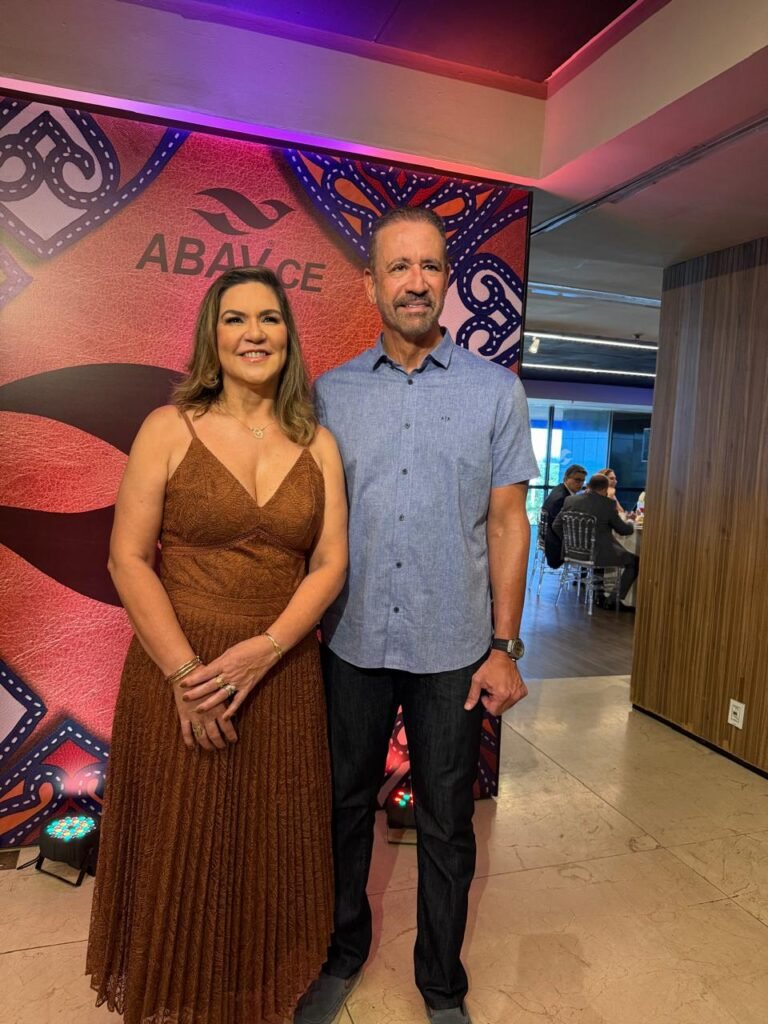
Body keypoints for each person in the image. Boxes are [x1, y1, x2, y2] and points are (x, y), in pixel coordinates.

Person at [294, 207, 539, 1024]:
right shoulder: (331, 394)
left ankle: (441, 986)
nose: (415, 282)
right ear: (370, 284)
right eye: (398, 267)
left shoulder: (495, 390)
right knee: (342, 810)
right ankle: (341, 954)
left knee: (447, 826)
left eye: (430, 266)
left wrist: (505, 646)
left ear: (446, 281)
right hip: (351, 640)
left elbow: (507, 523)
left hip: (453, 651)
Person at [86, 267, 348, 1023]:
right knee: (184, 838)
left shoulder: (319, 443)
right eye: (236, 319)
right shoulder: (169, 428)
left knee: (268, 839)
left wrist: (267, 648)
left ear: (289, 335)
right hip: (184, 665)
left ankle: (256, 992)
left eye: (269, 318)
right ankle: (176, 994)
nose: (254, 334)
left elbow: (330, 564)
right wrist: (185, 674)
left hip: (284, 666)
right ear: (212, 335)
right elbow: (127, 559)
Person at [552, 472, 637, 610]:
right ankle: (613, 599)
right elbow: (624, 530)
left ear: (589, 485)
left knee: (606, 547)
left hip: (572, 553)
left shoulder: (570, 500)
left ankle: (600, 594)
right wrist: (630, 523)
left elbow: (556, 525)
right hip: (597, 555)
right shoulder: (607, 504)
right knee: (634, 561)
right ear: (605, 489)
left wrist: (571, 543)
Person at [541, 464, 587, 567]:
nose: (580, 484)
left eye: (583, 481)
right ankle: (585, 575)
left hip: (548, 537)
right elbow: (558, 526)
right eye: (577, 480)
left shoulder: (560, 488)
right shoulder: (562, 498)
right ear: (566, 478)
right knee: (592, 543)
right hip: (555, 545)